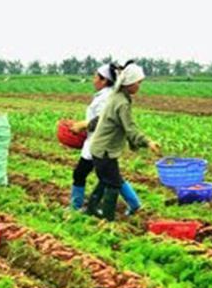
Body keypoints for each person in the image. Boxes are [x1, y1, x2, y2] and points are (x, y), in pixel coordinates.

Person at [87, 63, 162, 221]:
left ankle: (91, 209)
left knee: (106, 179)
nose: (139, 86)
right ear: (129, 83)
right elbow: (130, 128)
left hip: (99, 148)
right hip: (105, 150)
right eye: (138, 83)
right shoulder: (122, 103)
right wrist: (148, 142)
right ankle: (107, 218)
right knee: (113, 184)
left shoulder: (117, 96)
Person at [68, 64, 141, 214]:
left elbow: (104, 120)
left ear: (104, 80)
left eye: (96, 76)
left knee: (85, 174)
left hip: (100, 143)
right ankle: (133, 202)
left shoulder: (107, 97)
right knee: (110, 176)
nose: (93, 79)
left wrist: (83, 125)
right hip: (96, 142)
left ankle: (77, 207)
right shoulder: (106, 95)